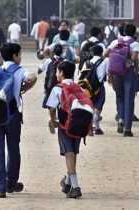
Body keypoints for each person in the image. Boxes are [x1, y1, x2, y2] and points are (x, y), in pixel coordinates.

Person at [0, 43, 37, 198]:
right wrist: (27, 86)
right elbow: (33, 77)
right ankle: (11, 181)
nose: (21, 57)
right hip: (12, 115)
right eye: (20, 54)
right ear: (15, 56)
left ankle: (0, 187)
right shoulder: (20, 70)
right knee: (13, 148)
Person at [46, 61, 83, 198]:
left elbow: (51, 108)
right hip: (78, 125)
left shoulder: (57, 89)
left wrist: (53, 120)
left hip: (64, 125)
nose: (56, 74)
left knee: (68, 153)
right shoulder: (78, 87)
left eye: (57, 71)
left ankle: (76, 186)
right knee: (73, 153)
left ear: (61, 73)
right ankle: (68, 182)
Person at [105, 23, 139, 137]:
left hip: (116, 73)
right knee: (129, 99)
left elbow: (105, 54)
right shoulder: (135, 44)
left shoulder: (116, 42)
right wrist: (127, 63)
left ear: (124, 32)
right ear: (134, 33)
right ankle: (127, 129)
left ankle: (120, 120)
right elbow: (134, 58)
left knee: (119, 97)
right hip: (128, 72)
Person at [81, 45, 109, 136]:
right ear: (101, 53)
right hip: (99, 87)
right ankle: (88, 126)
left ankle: (97, 128)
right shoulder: (105, 62)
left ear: (92, 53)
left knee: (91, 107)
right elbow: (108, 73)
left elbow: (83, 74)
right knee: (98, 109)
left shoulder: (87, 62)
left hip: (88, 88)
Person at [38, 44, 64, 133]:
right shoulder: (65, 61)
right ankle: (59, 122)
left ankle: (50, 118)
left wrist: (45, 60)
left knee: (51, 104)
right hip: (61, 86)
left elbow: (39, 71)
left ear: (53, 51)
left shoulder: (49, 60)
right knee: (61, 103)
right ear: (62, 52)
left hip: (50, 85)